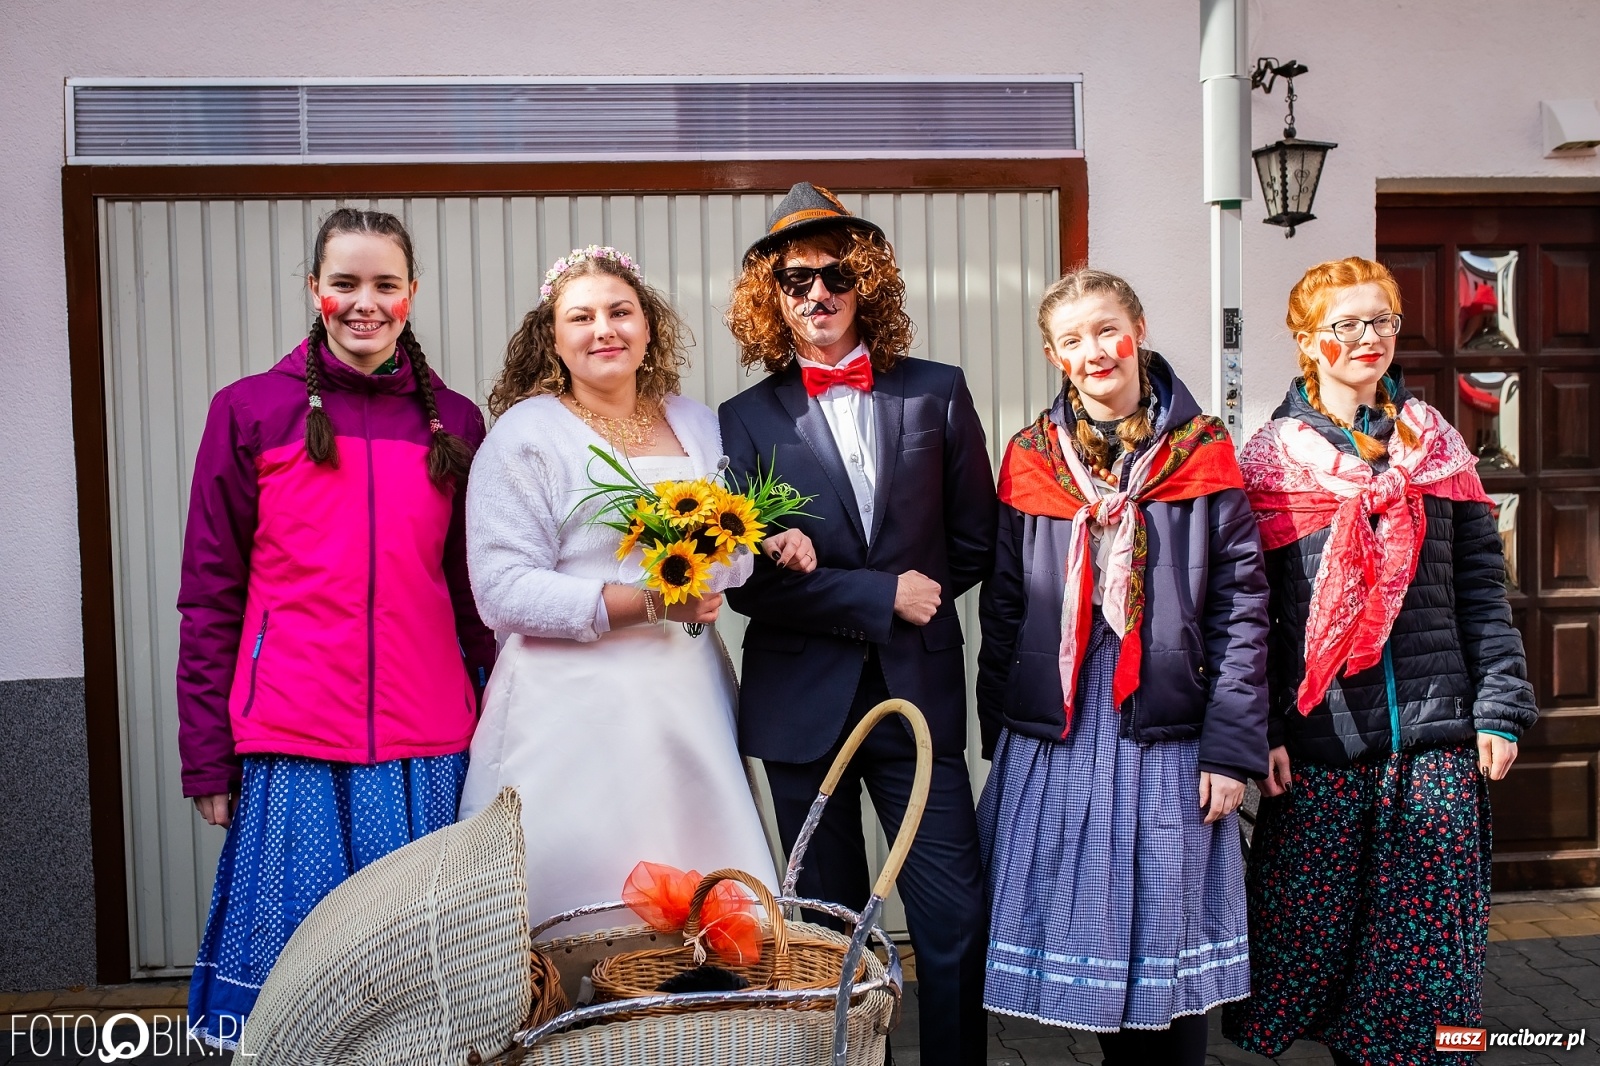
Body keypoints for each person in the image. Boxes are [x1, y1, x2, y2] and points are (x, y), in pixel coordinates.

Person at [176, 208, 495, 1047]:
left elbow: (474, 597)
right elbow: (209, 597)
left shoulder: (456, 424)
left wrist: (505, 714)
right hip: (294, 736)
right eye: (345, 283)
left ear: (412, 294)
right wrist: (207, 753)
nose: (365, 303)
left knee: (414, 971)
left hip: (425, 745)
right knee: (297, 978)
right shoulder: (248, 412)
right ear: (315, 290)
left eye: (385, 285)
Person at [1224, 257, 1537, 1065]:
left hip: (1436, 743)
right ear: (1307, 339)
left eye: (1382, 322)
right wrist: (1256, 729)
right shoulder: (1268, 463)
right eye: (1347, 324)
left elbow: (1481, 590)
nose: (1369, 339)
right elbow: (1253, 614)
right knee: (1311, 951)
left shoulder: (1437, 448)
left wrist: (1500, 705)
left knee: (1428, 970)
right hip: (1323, 745)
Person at [719, 183, 997, 1066]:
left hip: (918, 695)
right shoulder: (743, 420)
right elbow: (743, 585)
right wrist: (877, 596)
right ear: (773, 297)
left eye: (835, 274)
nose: (817, 294)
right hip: (802, 706)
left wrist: (911, 598)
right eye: (795, 281)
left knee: (953, 916)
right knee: (825, 928)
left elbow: (975, 541)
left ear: (865, 281)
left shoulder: (938, 394)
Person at [458, 245, 812, 922]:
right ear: (552, 338)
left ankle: (692, 1019)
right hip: (568, 708)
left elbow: (728, 557)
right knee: (577, 878)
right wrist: (647, 602)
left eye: (620, 311)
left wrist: (765, 543)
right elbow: (500, 590)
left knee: (703, 873)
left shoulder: (699, 424)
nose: (604, 329)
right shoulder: (527, 436)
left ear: (648, 326)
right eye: (581, 317)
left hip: (685, 697)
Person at [976, 268, 1268, 1066]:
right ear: (1054, 356)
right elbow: (1004, 606)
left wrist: (1231, 749)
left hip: (1168, 725)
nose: (1094, 350)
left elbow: (1242, 611)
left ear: (1138, 326)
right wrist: (1000, 732)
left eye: (1107, 329)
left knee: (1167, 936)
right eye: (1072, 340)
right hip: (1063, 729)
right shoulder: (1032, 459)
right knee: (1094, 934)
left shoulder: (1203, 453)